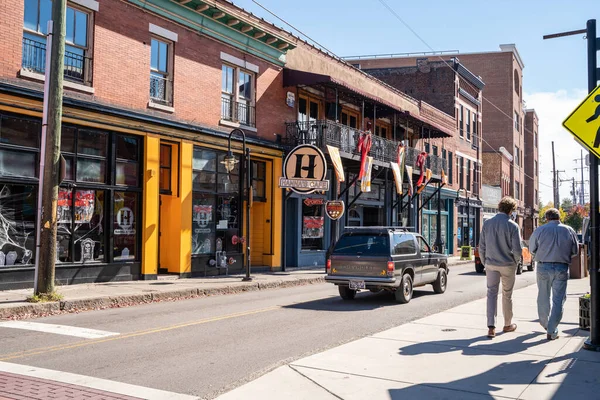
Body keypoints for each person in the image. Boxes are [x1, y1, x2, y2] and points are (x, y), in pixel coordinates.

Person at [529, 208, 579, 340]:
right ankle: (551, 329)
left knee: (543, 296)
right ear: (559, 217)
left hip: (543, 265)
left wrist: (540, 255)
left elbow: (531, 249)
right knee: (558, 300)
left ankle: (545, 323)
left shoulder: (540, 230)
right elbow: (575, 251)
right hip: (561, 266)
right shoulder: (569, 230)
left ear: (546, 218)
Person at [479, 196, 522, 338]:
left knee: (491, 294)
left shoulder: (487, 223)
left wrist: (485, 262)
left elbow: (482, 246)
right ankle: (507, 324)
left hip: (491, 264)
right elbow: (517, 249)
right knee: (507, 294)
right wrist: (516, 262)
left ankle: (491, 327)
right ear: (511, 210)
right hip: (508, 264)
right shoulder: (513, 225)